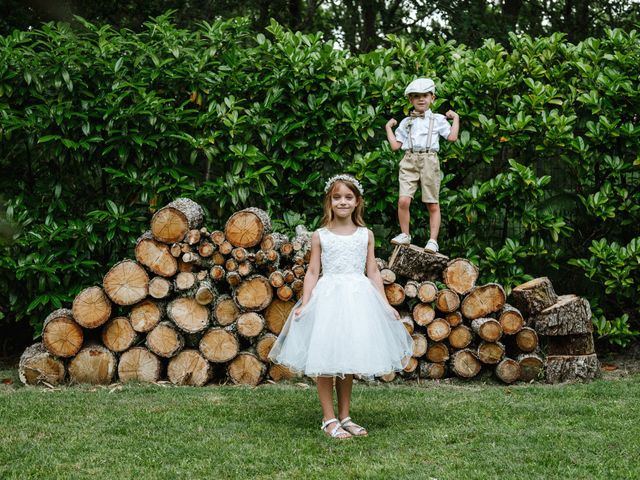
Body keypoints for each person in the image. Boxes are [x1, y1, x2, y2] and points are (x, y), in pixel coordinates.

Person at [268, 174, 414, 440]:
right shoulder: (320, 235)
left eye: (348, 197)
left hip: (357, 299)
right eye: (337, 197)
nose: (342, 202)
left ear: (357, 202)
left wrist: (385, 304)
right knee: (325, 359)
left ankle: (345, 416)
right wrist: (307, 303)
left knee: (347, 359)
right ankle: (329, 418)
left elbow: (372, 271)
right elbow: (313, 271)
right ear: (330, 202)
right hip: (329, 298)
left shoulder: (365, 235)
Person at [385, 77, 459, 253]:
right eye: (416, 96)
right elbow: (396, 146)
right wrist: (388, 127)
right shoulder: (406, 122)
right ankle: (405, 234)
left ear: (432, 98)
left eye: (425, 95)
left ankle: (433, 240)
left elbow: (452, 137)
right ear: (410, 100)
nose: (421, 99)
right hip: (409, 160)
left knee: (432, 203)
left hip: (429, 160)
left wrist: (455, 118)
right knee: (403, 200)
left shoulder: (438, 119)